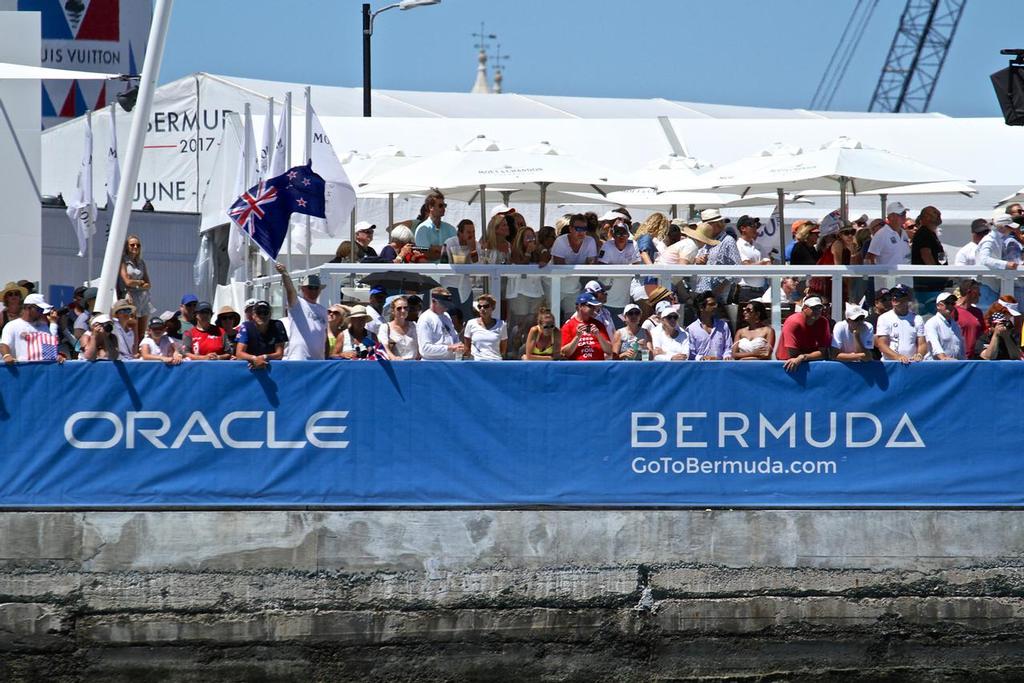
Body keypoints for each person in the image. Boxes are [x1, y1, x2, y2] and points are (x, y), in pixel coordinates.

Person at [276, 263, 327, 360]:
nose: (313, 290)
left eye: (316, 288)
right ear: (303, 289)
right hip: (299, 358)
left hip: (318, 360)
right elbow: (290, 290)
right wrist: (284, 273)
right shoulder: (297, 304)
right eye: (310, 287)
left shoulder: (323, 310)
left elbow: (324, 336)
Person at [551, 213, 598, 317]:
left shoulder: (590, 241)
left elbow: (591, 266)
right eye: (578, 228)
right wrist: (583, 267)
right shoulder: (560, 241)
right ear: (570, 229)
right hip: (553, 284)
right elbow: (560, 268)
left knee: (572, 317)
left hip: (573, 286)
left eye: (584, 228)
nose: (581, 232)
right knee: (552, 318)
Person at [694, 209, 741, 302]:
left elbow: (736, 268)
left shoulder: (728, 241)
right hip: (702, 292)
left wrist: (720, 288)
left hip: (717, 295)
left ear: (716, 224)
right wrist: (697, 261)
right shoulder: (705, 240)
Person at [976, 214, 1021, 311]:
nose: (1012, 230)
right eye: (1009, 227)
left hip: (991, 285)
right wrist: (1006, 264)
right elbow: (984, 259)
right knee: (986, 315)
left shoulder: (996, 239)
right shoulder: (989, 240)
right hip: (986, 285)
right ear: (1002, 227)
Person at [598, 219, 641, 319]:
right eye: (618, 233)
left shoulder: (633, 244)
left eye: (624, 233)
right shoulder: (607, 246)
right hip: (607, 299)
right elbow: (601, 268)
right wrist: (626, 269)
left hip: (624, 300)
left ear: (628, 235)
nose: (621, 236)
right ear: (613, 235)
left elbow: (637, 266)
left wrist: (618, 271)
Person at [776, 296, 831, 372]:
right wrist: (811, 356)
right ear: (805, 308)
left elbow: (823, 353)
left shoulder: (823, 322)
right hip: (786, 365)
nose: (817, 311)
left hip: (810, 365)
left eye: (819, 308)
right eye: (814, 308)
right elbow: (793, 355)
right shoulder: (793, 322)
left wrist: (803, 357)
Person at [0, 293, 59, 363]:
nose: (42, 312)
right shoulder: (12, 325)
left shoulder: (44, 326)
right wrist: (7, 356)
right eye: (39, 309)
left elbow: (50, 349)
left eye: (42, 310)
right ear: (28, 308)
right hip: (22, 370)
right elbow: (4, 344)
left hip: (41, 371)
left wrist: (57, 356)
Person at [874, 286, 926, 364]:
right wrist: (898, 357)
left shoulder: (917, 318)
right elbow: (882, 344)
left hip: (912, 364)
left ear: (908, 298)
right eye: (893, 295)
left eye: (899, 295)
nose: (894, 297)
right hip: (891, 364)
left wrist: (919, 355)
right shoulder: (884, 318)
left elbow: (922, 343)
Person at [910, 206, 947, 314]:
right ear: (925, 217)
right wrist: (936, 274)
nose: (938, 214)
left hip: (931, 286)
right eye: (934, 213)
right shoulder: (924, 233)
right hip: (928, 287)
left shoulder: (930, 233)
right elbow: (926, 254)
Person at [119, 234, 154, 343]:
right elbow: (127, 281)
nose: (135, 247)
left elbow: (148, 283)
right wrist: (139, 282)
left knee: (142, 332)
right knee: (132, 328)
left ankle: (140, 352)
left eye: (137, 245)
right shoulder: (123, 261)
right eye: (132, 245)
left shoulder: (141, 262)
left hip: (143, 298)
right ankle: (132, 352)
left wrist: (137, 283)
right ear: (127, 246)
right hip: (130, 297)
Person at [235, 300, 288, 369]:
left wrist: (264, 357)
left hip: (271, 368)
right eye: (259, 312)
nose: (262, 315)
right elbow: (239, 354)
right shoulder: (246, 326)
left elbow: (279, 354)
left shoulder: (277, 325)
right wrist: (254, 359)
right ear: (253, 315)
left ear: (270, 315)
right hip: (251, 367)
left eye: (265, 312)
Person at [560, 292, 612, 361]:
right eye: (590, 306)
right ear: (580, 306)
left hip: (597, 366)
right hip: (577, 366)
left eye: (595, 307)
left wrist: (598, 335)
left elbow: (609, 350)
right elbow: (564, 353)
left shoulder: (598, 325)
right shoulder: (568, 326)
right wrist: (577, 337)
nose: (594, 309)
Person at [416, 287, 462, 360]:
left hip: (449, 362)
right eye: (444, 304)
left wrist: (459, 345)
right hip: (433, 364)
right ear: (434, 301)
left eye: (448, 304)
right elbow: (425, 348)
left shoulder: (446, 316)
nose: (446, 307)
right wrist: (449, 347)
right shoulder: (425, 318)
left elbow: (454, 337)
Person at [686, 291, 733, 360]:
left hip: (720, 367)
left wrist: (727, 356)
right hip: (700, 367)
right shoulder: (691, 329)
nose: (715, 307)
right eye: (711, 304)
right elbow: (691, 353)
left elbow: (728, 347)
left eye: (715, 304)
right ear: (701, 307)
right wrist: (702, 358)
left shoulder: (723, 326)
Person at [414, 191, 457, 262]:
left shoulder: (451, 229)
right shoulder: (422, 229)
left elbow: (456, 252)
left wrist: (436, 249)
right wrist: (446, 251)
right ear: (431, 207)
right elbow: (425, 254)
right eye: (440, 205)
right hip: (429, 272)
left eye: (444, 205)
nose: (443, 208)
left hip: (449, 272)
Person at [735, 215, 771, 302]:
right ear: (743, 228)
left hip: (761, 289)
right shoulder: (738, 245)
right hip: (745, 290)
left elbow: (769, 265)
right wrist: (762, 263)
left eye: (756, 226)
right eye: (752, 226)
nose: (756, 229)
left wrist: (755, 264)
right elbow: (746, 266)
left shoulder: (759, 246)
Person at [463, 294, 507, 361]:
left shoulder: (501, 324)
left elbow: (503, 349)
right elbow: (467, 347)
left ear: (493, 307)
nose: (482, 309)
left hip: (495, 362)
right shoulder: (471, 323)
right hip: (477, 363)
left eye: (486, 306)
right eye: (479, 306)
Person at [866, 201, 911, 266]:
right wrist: (877, 273)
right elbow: (869, 258)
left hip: (906, 275)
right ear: (891, 217)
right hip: (888, 275)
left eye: (905, 213)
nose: (904, 216)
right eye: (901, 214)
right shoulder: (881, 234)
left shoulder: (904, 233)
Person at [924, 291, 965, 360]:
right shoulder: (931, 323)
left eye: (952, 303)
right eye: (947, 303)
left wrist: (964, 362)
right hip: (935, 366)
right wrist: (943, 358)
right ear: (938, 306)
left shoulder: (956, 325)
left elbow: (960, 348)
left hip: (953, 365)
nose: (950, 306)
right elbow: (935, 344)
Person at [951, 279, 985, 359]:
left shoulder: (978, 312)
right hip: (957, 358)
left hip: (974, 359)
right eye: (977, 292)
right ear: (969, 292)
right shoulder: (953, 311)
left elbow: (982, 335)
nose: (979, 295)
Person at [378, 296, 419, 360]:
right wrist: (394, 358)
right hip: (396, 364)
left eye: (405, 308)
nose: (403, 310)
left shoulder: (414, 326)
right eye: (399, 308)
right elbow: (384, 347)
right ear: (392, 311)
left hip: (415, 365)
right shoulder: (385, 328)